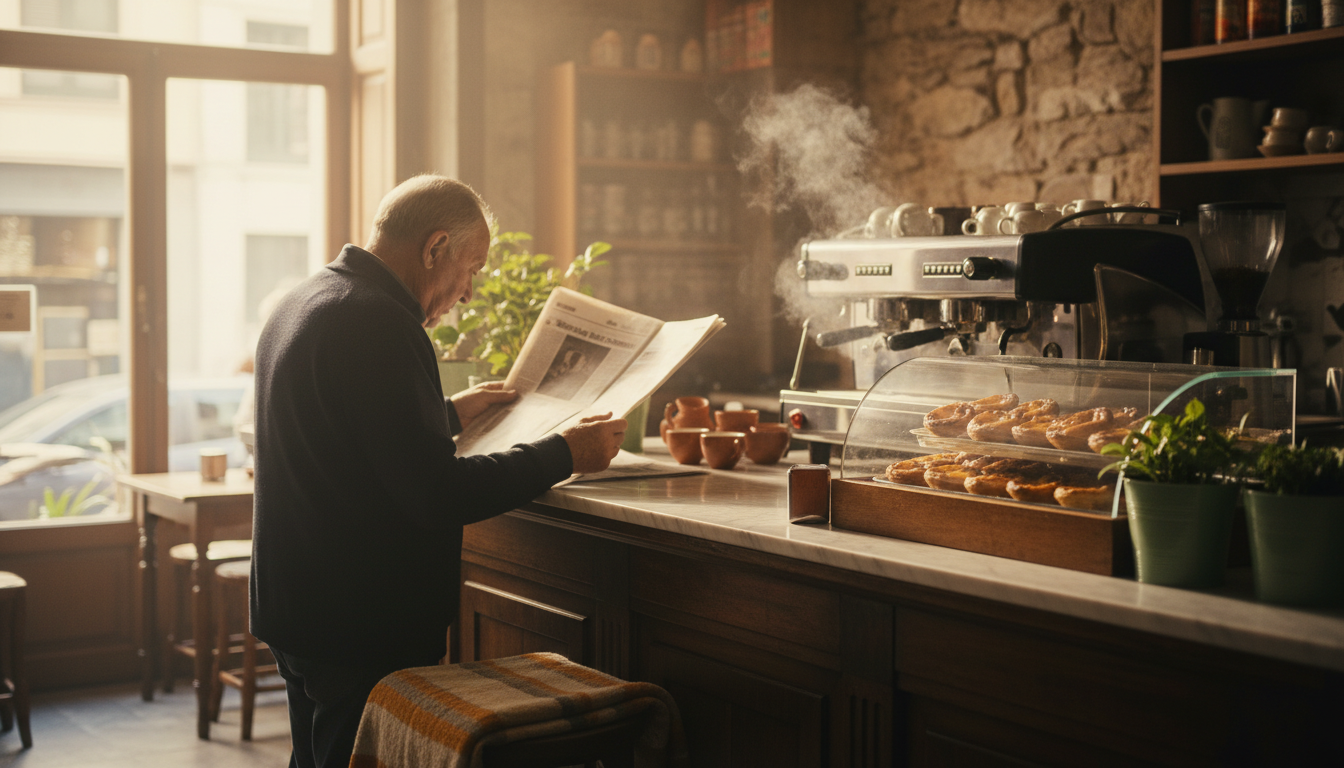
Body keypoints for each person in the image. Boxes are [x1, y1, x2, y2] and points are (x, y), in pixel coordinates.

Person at [249, 174, 626, 768]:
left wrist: (447, 412)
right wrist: (565, 454)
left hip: (297, 603)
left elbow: (346, 434)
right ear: (434, 248)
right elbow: (434, 494)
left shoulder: (306, 299)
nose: (470, 293)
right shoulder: (380, 322)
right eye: (471, 268)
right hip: (357, 619)